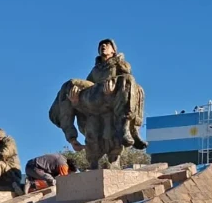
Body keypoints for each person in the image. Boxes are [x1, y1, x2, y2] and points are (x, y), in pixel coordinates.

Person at [48, 39, 147, 169]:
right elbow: (90, 89)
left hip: (113, 100)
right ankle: (72, 138)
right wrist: (76, 102)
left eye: (107, 45)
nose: (103, 46)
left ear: (113, 50)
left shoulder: (121, 65)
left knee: (128, 80)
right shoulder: (95, 70)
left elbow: (129, 87)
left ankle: (126, 128)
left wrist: (112, 89)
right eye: (101, 45)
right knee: (70, 85)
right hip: (97, 98)